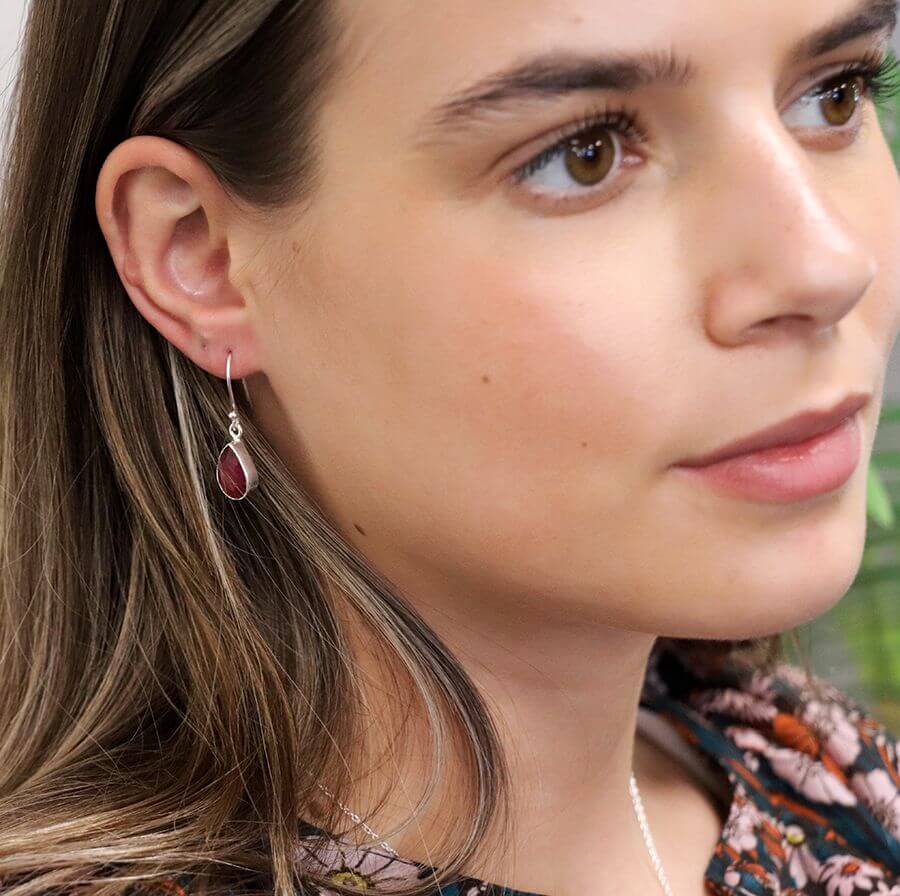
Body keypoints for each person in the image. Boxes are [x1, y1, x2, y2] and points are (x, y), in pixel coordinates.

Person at [0, 0, 899, 894]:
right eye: (584, 154)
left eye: (835, 94)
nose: (825, 268)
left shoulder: (815, 764)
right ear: (199, 256)